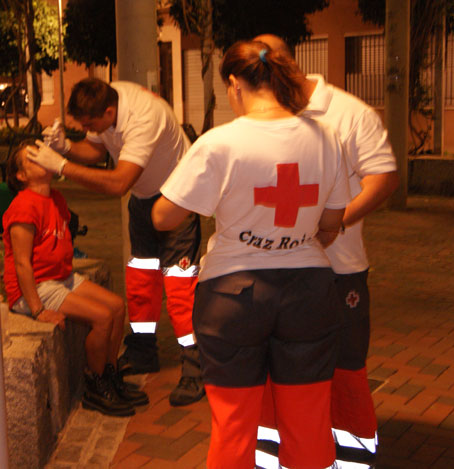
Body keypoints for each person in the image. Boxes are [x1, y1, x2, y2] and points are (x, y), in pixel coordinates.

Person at [151, 40, 351, 468]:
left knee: (233, 428)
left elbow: (163, 216)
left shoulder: (220, 142)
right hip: (310, 294)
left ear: (234, 85)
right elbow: (332, 222)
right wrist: (294, 239)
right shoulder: (327, 137)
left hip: (232, 298)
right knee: (308, 424)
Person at [255, 34, 399, 464]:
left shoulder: (348, 114)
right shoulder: (264, 117)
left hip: (339, 268)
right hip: (279, 266)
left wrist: (336, 221)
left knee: (344, 364)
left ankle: (351, 454)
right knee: (279, 362)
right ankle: (279, 451)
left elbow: (384, 178)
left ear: (285, 69)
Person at [27, 78, 204, 406]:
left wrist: (63, 166)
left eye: (89, 123)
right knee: (141, 277)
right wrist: (66, 146)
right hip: (144, 198)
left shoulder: (143, 118)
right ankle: (142, 351)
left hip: (178, 196)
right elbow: (95, 149)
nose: (86, 128)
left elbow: (118, 183)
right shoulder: (107, 100)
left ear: (109, 111)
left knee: (179, 287)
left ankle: (195, 368)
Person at [2, 141, 148, 417]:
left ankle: (110, 373)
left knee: (117, 306)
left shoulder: (55, 198)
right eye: (33, 158)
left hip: (60, 278)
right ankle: (95, 386)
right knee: (102, 317)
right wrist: (38, 310)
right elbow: (22, 263)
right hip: (35, 288)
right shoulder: (23, 206)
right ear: (21, 176)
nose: (43, 157)